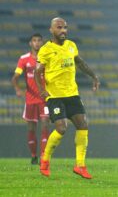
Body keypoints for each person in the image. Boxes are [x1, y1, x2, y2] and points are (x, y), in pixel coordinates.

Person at [34, 17, 100, 179]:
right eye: (59, 27)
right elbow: (37, 72)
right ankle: (45, 160)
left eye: (65, 27)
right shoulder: (46, 49)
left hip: (72, 94)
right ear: (52, 30)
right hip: (55, 96)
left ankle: (80, 165)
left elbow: (80, 62)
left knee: (83, 125)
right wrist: (42, 90)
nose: (63, 30)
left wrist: (94, 76)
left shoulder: (71, 46)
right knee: (62, 128)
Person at [11, 33, 49, 165]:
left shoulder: (46, 58)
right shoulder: (24, 59)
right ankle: (34, 156)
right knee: (31, 128)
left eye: (39, 40)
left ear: (42, 43)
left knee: (45, 125)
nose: (37, 43)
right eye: (34, 40)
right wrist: (17, 89)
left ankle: (44, 156)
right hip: (30, 100)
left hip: (44, 99)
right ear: (30, 43)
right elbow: (15, 77)